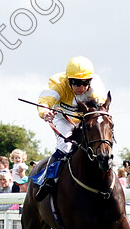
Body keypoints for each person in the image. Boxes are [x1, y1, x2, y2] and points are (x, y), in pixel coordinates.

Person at [33, 56, 108, 201]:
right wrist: (45, 112)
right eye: (76, 83)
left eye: (85, 83)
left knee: (98, 142)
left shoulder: (96, 85)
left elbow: (101, 104)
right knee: (66, 145)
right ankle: (49, 179)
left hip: (85, 118)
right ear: (68, 80)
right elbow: (45, 101)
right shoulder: (58, 83)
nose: (81, 88)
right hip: (62, 117)